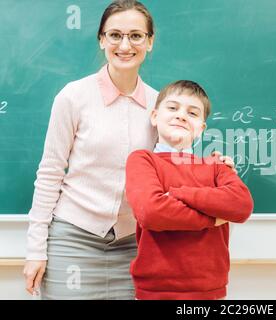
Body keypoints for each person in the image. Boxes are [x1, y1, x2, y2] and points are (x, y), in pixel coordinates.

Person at [23, 0, 235, 300]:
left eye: (136, 35)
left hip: (135, 244)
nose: (125, 45)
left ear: (150, 42)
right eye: (115, 35)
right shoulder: (73, 97)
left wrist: (213, 168)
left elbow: (172, 162)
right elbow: (49, 173)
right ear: (102, 39)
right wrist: (35, 250)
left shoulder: (159, 105)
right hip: (73, 238)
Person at [125, 80, 254, 300]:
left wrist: (178, 193)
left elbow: (241, 205)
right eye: (173, 108)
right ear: (155, 116)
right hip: (154, 291)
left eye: (192, 113)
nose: (182, 116)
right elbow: (151, 212)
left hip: (210, 291)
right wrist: (213, 218)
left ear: (202, 128)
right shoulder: (142, 160)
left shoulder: (217, 165)